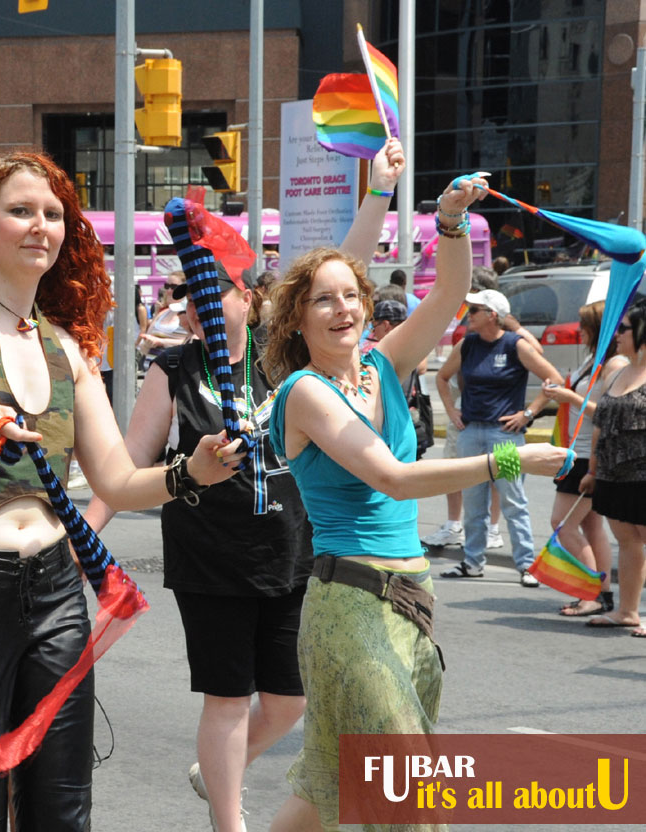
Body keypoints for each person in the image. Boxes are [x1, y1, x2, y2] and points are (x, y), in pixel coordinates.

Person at [0, 152, 243, 831]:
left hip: (53, 591)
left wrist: (190, 471)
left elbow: (115, 481)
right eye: (20, 211)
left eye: (52, 214)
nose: (39, 226)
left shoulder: (66, 347)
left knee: (62, 812)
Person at [83, 138, 406, 832]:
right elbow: (128, 465)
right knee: (227, 698)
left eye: (209, 289)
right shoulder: (172, 370)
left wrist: (376, 190)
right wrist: (81, 532)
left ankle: (216, 773)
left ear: (247, 295)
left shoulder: (285, 355)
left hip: (294, 552)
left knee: (288, 702)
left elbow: (341, 270)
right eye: (185, 293)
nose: (194, 304)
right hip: (210, 557)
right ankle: (227, 820)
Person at [261, 177, 571, 831]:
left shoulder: (379, 364)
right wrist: (510, 459)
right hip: (349, 610)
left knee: (326, 793)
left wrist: (451, 221)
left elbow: (448, 297)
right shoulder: (304, 392)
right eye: (323, 299)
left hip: (411, 606)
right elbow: (394, 479)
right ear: (297, 317)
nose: (342, 308)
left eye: (351, 295)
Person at [436, 288, 563, 584]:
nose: (469, 315)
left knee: (513, 500)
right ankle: (472, 561)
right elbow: (442, 377)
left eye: (475, 310)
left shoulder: (514, 345)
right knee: (473, 499)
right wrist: (451, 411)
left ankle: (526, 566)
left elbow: (554, 379)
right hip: (471, 432)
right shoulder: (467, 345)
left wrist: (528, 414)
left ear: (492, 316)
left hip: (504, 436)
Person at [542, 301, 627, 616]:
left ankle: (591, 593)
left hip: (588, 455)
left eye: (584, 324)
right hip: (575, 450)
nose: (578, 329)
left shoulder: (614, 364)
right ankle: (601, 595)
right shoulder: (594, 358)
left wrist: (571, 397)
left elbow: (610, 414)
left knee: (562, 524)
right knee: (591, 527)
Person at [581, 300, 646, 634]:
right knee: (628, 541)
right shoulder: (618, 371)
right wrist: (592, 471)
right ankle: (628, 611)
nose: (617, 334)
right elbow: (600, 424)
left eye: (623, 329)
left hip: (643, 474)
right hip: (612, 473)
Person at [139, 270, 191, 366]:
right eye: (167, 286)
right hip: (152, 369)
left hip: (176, 371)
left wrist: (161, 342)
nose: (169, 291)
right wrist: (147, 344)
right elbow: (143, 347)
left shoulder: (189, 314)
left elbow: (192, 342)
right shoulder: (162, 313)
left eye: (174, 287)